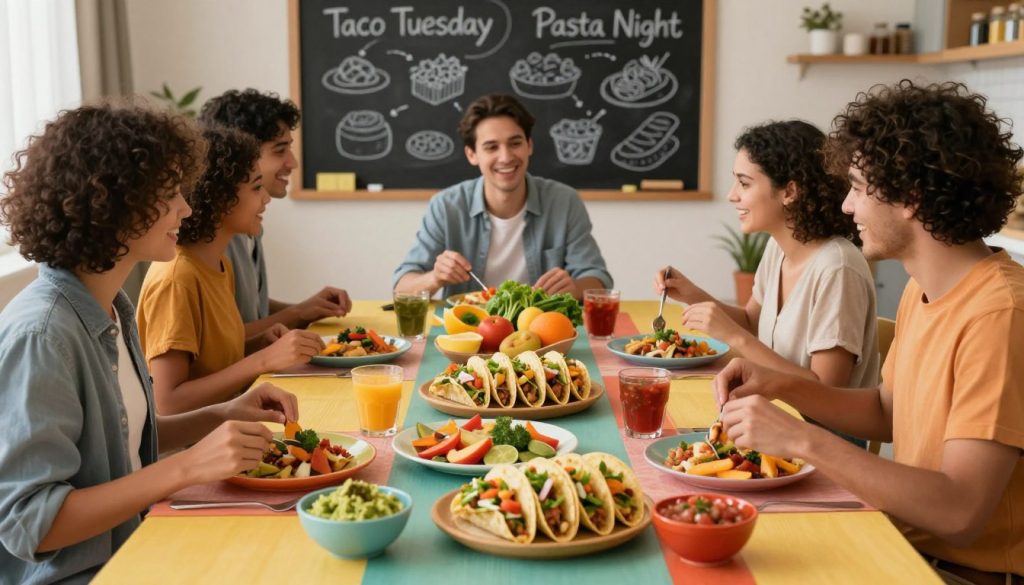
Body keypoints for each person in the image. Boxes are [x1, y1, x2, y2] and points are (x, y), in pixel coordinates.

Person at [714, 81, 1024, 584]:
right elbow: (886, 411)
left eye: (858, 187)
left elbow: (960, 513)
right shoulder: (922, 290)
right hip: (897, 541)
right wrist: (778, 385)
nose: (845, 207)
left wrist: (802, 438)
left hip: (957, 573)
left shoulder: (1000, 314)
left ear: (910, 196)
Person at [0, 102, 300, 583]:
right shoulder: (43, 335)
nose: (186, 207)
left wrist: (223, 414)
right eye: (169, 194)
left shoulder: (111, 305)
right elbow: (30, 523)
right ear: (114, 203)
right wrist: (183, 470)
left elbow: (123, 436)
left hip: (140, 544)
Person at [655, 121, 878, 416]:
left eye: (744, 184)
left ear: (789, 191)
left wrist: (733, 337)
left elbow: (827, 391)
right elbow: (752, 321)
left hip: (821, 439)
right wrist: (693, 294)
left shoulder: (837, 268)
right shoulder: (778, 248)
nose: (731, 195)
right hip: (775, 416)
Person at [137, 125, 325, 415]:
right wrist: (263, 360)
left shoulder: (219, 263)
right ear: (219, 198)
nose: (266, 198)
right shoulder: (178, 279)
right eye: (255, 187)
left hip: (234, 426)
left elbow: (210, 362)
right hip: (198, 450)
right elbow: (167, 403)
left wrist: (259, 344)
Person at [393, 93, 612, 299]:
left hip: (542, 331)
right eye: (491, 147)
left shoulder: (564, 201)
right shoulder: (446, 206)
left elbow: (598, 280)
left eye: (515, 143)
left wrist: (574, 288)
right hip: (468, 332)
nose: (505, 157)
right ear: (472, 155)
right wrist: (434, 278)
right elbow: (401, 289)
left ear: (529, 146)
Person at [198, 89, 351, 336]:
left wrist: (306, 308)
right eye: (280, 150)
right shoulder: (210, 241)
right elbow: (221, 341)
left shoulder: (249, 226)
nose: (293, 163)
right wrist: (297, 314)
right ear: (236, 155)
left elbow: (249, 309)